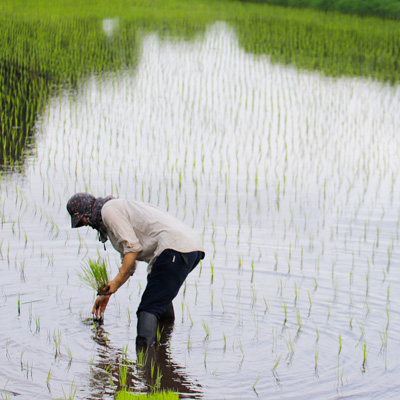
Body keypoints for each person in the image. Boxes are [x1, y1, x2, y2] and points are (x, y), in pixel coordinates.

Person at [66, 193, 205, 348]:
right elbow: (129, 261)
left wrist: (117, 281)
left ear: (86, 211)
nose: (84, 224)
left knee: (148, 308)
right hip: (190, 248)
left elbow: (132, 249)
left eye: (81, 220)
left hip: (174, 248)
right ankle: (162, 353)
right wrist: (108, 293)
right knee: (159, 297)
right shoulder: (115, 209)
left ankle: (144, 362)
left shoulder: (108, 210)